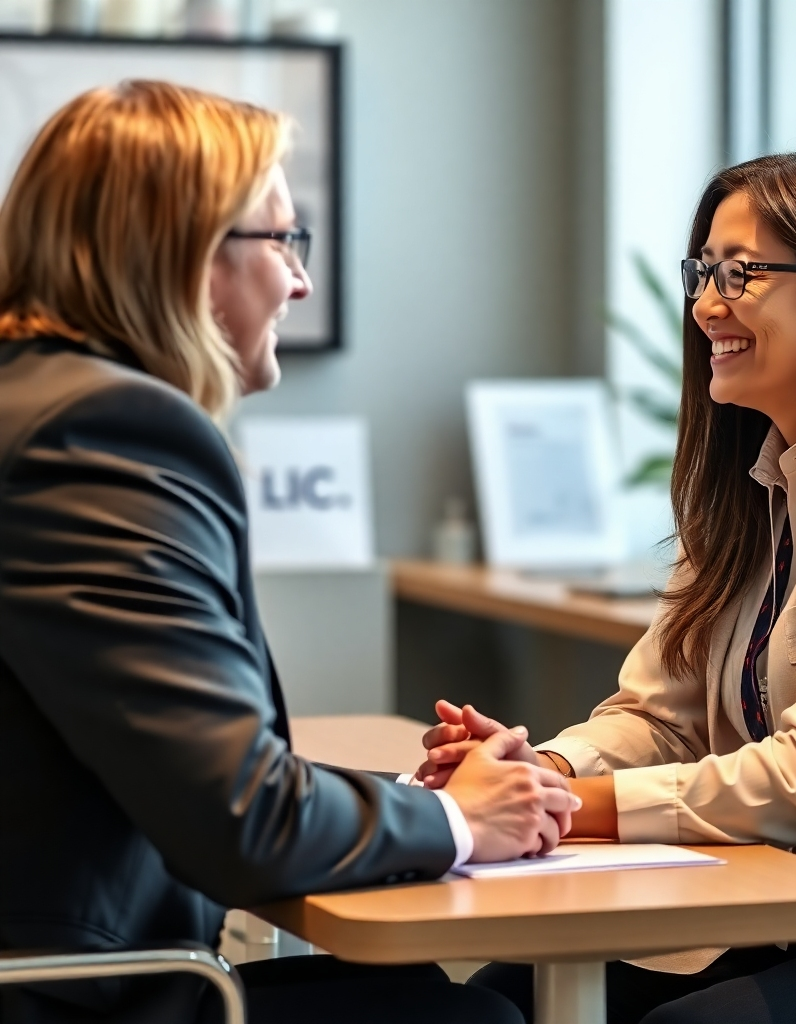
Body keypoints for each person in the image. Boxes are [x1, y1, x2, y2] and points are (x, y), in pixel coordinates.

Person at [0, 81, 580, 1024]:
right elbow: (241, 820)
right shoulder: (104, 432)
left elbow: (184, 768)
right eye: (284, 241)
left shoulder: (40, 404)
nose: (299, 282)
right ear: (188, 250)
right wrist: (460, 821)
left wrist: (406, 798)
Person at [419, 151, 796, 1024]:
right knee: (507, 994)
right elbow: (661, 715)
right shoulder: (760, 473)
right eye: (702, 272)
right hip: (791, 916)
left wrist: (549, 808)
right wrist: (540, 766)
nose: (706, 304)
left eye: (740, 273)